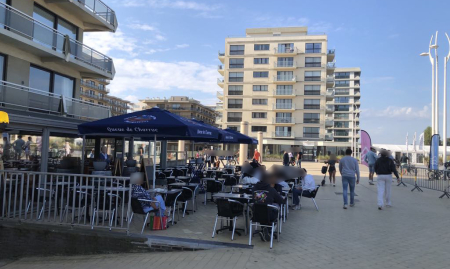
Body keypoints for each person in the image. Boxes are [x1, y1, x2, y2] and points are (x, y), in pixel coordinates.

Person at [252, 172, 285, 241]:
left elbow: (256, 200)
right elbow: (281, 201)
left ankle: (264, 230)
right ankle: (268, 231)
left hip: (256, 215)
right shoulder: (271, 189)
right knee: (276, 213)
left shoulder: (254, 188)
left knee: (262, 211)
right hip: (269, 215)